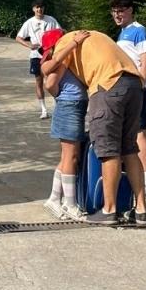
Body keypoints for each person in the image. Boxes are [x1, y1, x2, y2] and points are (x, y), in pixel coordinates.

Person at [39, 28, 146, 225]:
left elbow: (49, 73)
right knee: (130, 149)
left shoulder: (68, 41)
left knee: (109, 150)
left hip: (108, 85)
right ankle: (140, 210)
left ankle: (109, 210)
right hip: (135, 84)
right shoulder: (96, 36)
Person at [110, 0, 146, 199]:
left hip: (138, 90)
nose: (117, 15)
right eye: (114, 12)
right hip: (126, 90)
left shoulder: (139, 31)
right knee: (127, 135)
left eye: (120, 11)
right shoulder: (122, 33)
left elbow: (145, 62)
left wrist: (140, 86)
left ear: (130, 10)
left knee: (139, 134)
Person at [42, 31, 88, 221]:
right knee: (71, 157)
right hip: (70, 106)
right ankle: (69, 204)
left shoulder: (65, 59)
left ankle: (54, 199)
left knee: (67, 157)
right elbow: (50, 83)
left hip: (72, 106)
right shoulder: (61, 59)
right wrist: (62, 97)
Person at [15, 0, 60, 119]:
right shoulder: (29, 23)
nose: (39, 9)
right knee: (39, 82)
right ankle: (44, 109)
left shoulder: (51, 20)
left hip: (50, 56)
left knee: (53, 81)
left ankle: (59, 106)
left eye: (41, 7)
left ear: (44, 8)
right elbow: (18, 38)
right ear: (33, 9)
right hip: (36, 56)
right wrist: (29, 45)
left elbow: (60, 32)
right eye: (37, 7)